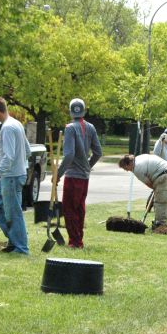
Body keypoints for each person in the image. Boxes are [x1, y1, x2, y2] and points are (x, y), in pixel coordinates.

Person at [0, 97, 32, 254]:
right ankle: (14, 238)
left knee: (13, 212)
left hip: (11, 177)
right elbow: (27, 150)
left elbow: (9, 156)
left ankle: (21, 248)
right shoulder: (16, 123)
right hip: (13, 175)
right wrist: (21, 167)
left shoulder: (7, 128)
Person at [57, 98, 102, 249]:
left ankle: (75, 242)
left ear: (71, 111)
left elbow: (69, 155)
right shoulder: (91, 127)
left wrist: (58, 174)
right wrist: (88, 166)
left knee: (69, 209)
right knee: (79, 208)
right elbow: (98, 152)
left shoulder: (70, 128)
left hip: (72, 176)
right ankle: (78, 239)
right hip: (84, 176)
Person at [119, 154, 167, 229]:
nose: (127, 171)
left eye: (125, 168)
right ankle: (159, 223)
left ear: (129, 163)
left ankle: (161, 226)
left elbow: (149, 184)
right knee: (163, 200)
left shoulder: (137, 169)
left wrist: (156, 189)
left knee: (161, 202)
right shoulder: (139, 157)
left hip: (164, 177)